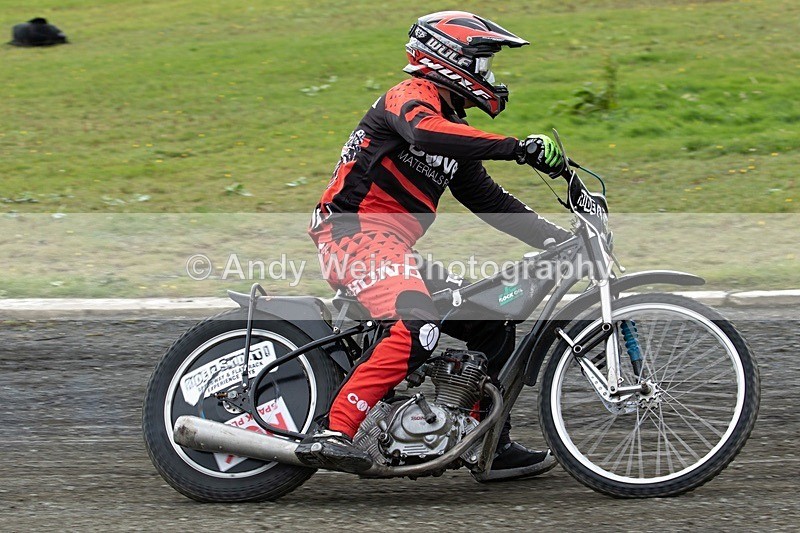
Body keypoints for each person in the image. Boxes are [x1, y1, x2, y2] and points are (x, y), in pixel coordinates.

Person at [297, 11, 570, 481]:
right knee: (417, 326)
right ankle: (335, 432)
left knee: (493, 325)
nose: (490, 76)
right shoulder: (410, 98)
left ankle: (489, 446)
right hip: (354, 233)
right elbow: (422, 132)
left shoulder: (450, 124)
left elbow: (488, 200)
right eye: (483, 63)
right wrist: (515, 147)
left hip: (391, 244)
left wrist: (559, 239)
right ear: (450, 57)